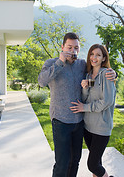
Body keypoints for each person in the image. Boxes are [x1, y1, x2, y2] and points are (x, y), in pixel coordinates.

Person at [38, 33, 116, 177]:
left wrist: (112, 73)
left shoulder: (81, 65)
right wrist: (60, 61)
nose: (73, 51)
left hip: (80, 122)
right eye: (69, 47)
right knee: (62, 162)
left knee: (75, 161)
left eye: (76, 48)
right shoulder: (51, 63)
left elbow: (95, 77)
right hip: (61, 121)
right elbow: (42, 82)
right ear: (62, 47)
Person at [70, 44, 116, 177]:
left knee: (92, 165)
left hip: (101, 127)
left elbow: (107, 101)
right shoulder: (89, 74)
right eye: (92, 54)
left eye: (98, 55)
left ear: (103, 58)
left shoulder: (107, 74)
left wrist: (84, 108)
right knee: (97, 162)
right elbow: (86, 97)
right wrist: (85, 86)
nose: (94, 57)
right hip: (88, 127)